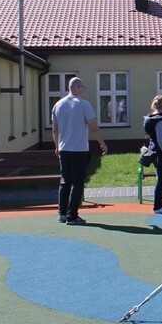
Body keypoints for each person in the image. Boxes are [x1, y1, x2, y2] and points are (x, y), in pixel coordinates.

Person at [51, 77, 108, 225]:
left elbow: (55, 130)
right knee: (77, 183)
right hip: (79, 149)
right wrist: (102, 144)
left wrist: (57, 146)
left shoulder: (58, 105)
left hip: (64, 149)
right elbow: (93, 128)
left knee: (65, 181)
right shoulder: (84, 105)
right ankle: (72, 215)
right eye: (82, 87)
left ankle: (62, 213)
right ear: (77, 87)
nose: (82, 90)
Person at [143, 95, 162, 214]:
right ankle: (158, 206)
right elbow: (161, 140)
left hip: (154, 151)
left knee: (160, 178)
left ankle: (160, 202)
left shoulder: (150, 117)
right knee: (161, 179)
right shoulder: (159, 120)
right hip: (161, 153)